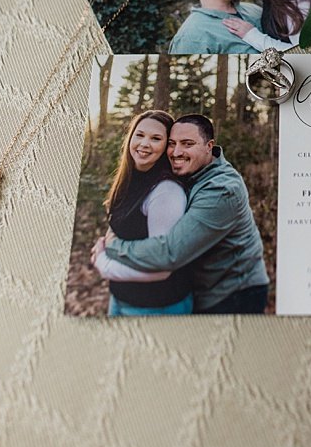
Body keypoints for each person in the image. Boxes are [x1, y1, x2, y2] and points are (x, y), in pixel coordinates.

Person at [98, 114, 271, 314]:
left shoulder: (222, 190)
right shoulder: (190, 171)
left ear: (209, 146)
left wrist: (112, 247)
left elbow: (169, 254)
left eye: (187, 143)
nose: (176, 152)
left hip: (233, 292)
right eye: (172, 143)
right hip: (200, 287)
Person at [91, 110, 194, 315]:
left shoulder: (166, 191)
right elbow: (127, 227)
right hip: (121, 298)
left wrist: (104, 264)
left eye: (156, 138)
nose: (144, 143)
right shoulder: (131, 178)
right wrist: (107, 242)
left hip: (158, 306)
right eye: (140, 135)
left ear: (167, 147)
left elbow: (163, 267)